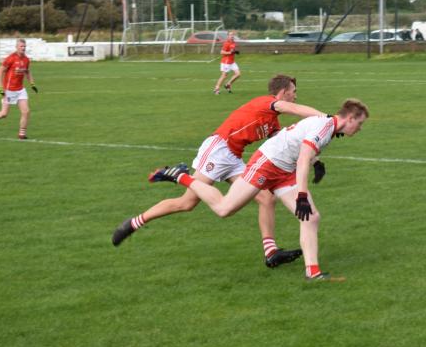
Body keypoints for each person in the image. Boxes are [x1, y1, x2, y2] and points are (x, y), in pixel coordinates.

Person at [111, 74, 326, 269]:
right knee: (187, 203)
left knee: (266, 198)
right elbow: (296, 111)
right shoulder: (265, 103)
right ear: (283, 93)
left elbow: (289, 145)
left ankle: (271, 252)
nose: (296, 97)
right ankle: (135, 221)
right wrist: (325, 119)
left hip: (233, 157)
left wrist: (315, 161)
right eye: (294, 92)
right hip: (218, 149)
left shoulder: (273, 123)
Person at [149, 99, 369, 281]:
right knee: (224, 209)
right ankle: (180, 175)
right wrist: (302, 194)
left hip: (283, 171)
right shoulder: (325, 126)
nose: (359, 129)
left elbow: (303, 151)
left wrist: (316, 164)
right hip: (267, 162)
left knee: (311, 218)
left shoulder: (328, 127)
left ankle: (313, 273)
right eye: (359, 124)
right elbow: (303, 158)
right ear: (349, 118)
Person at [0, 39, 37, 139]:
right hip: (9, 90)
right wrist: (0, 88)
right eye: (21, 46)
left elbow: (27, 71)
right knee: (4, 114)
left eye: (24, 46)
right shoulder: (11, 58)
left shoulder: (26, 59)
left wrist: (32, 83)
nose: (23, 48)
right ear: (16, 47)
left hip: (20, 90)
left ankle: (22, 134)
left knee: (26, 111)